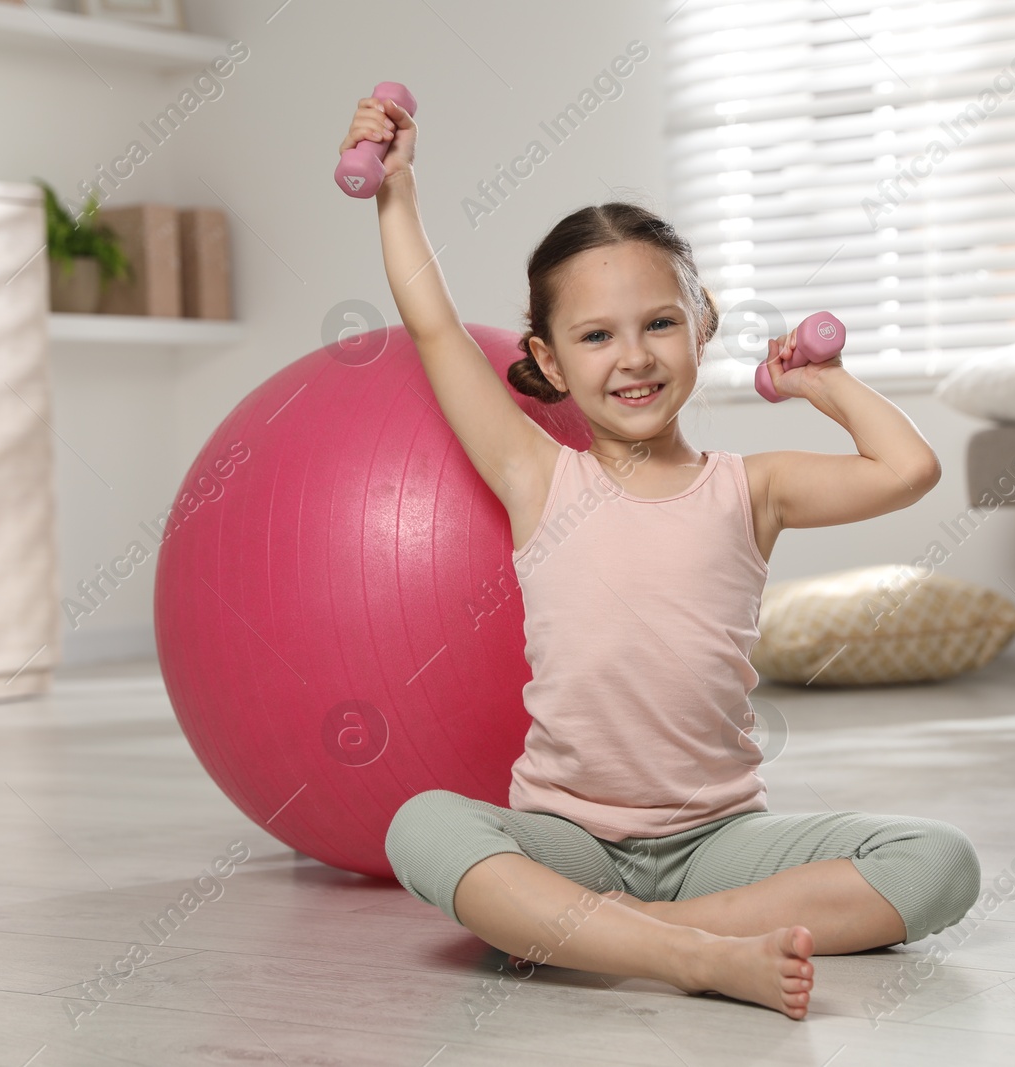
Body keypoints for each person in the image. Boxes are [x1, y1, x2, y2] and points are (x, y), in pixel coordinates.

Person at [340, 93, 980, 1021]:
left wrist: (822, 382)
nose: (632, 357)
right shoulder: (536, 475)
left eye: (659, 324)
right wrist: (396, 187)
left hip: (718, 840)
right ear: (549, 362)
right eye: (596, 336)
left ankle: (608, 932)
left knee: (940, 862)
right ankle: (686, 952)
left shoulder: (751, 488)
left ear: (702, 325)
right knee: (421, 828)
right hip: (569, 837)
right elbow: (434, 327)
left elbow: (908, 467)